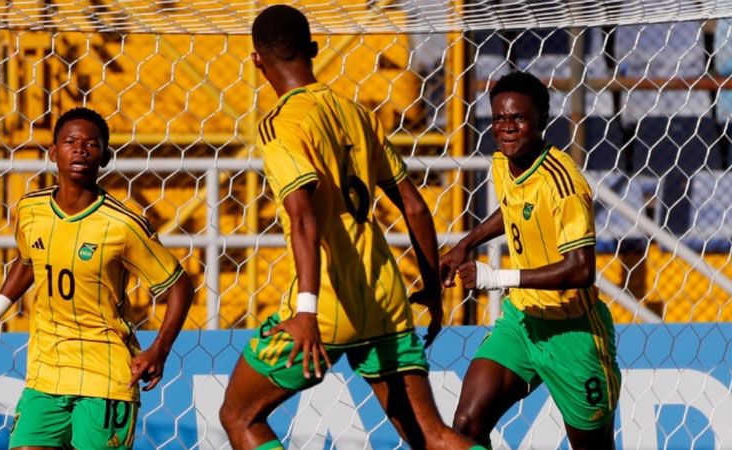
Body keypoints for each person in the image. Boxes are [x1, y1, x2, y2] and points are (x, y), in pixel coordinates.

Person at [219, 5, 483, 450]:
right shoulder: (357, 114)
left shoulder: (280, 125)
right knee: (433, 437)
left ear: (257, 61)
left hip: (326, 303)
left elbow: (303, 215)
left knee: (239, 414)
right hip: (385, 298)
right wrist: (433, 287)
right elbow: (415, 208)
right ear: (315, 50)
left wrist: (305, 310)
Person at [0, 107, 194, 450]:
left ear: (105, 157)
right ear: (53, 152)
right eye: (70, 141)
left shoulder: (123, 225)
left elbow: (179, 285)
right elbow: (28, 261)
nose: (81, 149)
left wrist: (159, 349)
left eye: (92, 144)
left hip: (106, 377)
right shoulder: (30, 210)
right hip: (46, 373)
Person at [441, 71, 621, 450]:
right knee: (466, 425)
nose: (507, 128)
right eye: (499, 119)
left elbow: (581, 268)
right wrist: (466, 243)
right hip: (522, 323)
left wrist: (495, 278)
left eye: (518, 119)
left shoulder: (565, 185)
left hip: (572, 331)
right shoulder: (503, 163)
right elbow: (513, 210)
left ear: (541, 121)